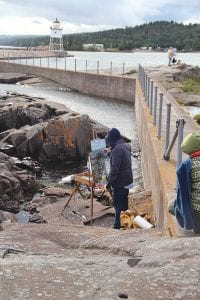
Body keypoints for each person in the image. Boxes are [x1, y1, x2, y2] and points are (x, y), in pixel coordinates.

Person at [170, 132, 200, 233]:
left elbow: (182, 195)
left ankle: (196, 227)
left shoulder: (186, 165)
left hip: (197, 212)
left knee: (172, 206)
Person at [105, 128, 133, 229]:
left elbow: (115, 170)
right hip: (128, 180)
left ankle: (117, 226)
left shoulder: (116, 150)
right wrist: (109, 154)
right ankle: (126, 222)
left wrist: (109, 183)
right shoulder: (125, 146)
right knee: (124, 203)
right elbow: (121, 160)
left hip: (120, 182)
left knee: (117, 204)